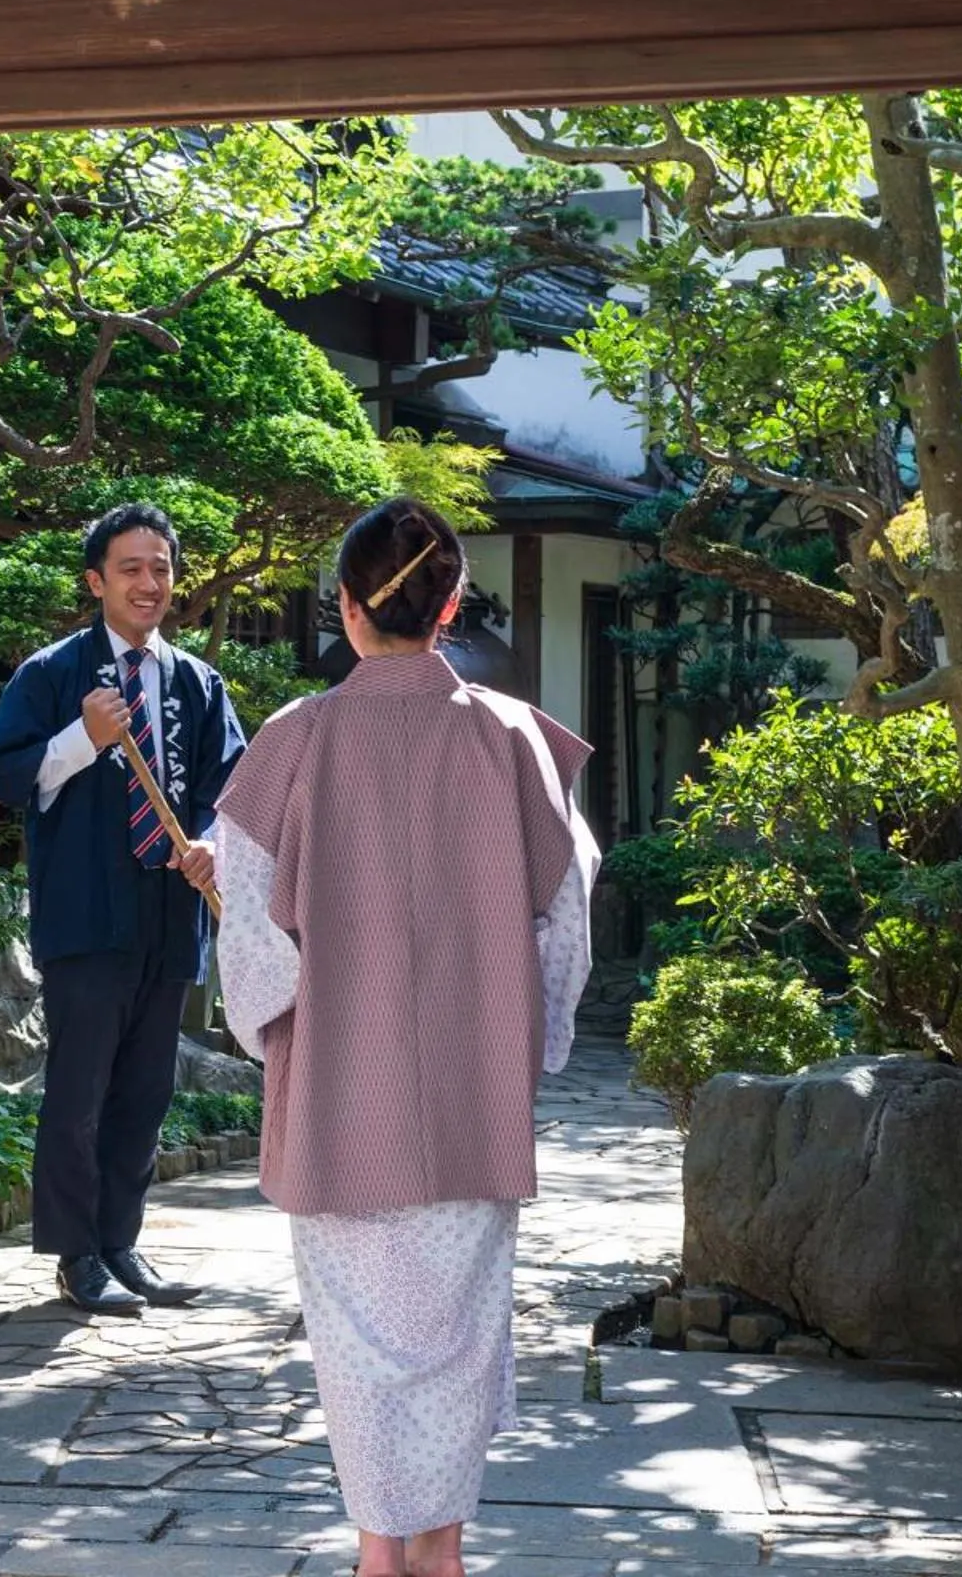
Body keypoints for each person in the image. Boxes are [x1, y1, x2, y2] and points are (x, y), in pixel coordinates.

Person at [213, 498, 600, 1577]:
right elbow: (565, 915)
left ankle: (381, 1549)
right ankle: (441, 1549)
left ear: (344, 607)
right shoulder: (515, 738)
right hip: (473, 1087)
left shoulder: (290, 744)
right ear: (452, 607)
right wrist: (536, 1039)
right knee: (462, 1331)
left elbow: (253, 946)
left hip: (339, 1092)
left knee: (360, 1346)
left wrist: (269, 1032)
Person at [0, 502, 248, 1316]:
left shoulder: (197, 682)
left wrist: (210, 844)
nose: (149, 582)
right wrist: (82, 738)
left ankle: (122, 1242)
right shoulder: (54, 675)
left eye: (161, 567)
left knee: (146, 1088)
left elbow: (231, 789)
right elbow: (4, 773)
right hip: (86, 909)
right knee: (80, 1087)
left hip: (169, 908)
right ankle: (75, 1253)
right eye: (131, 568)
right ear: (96, 580)